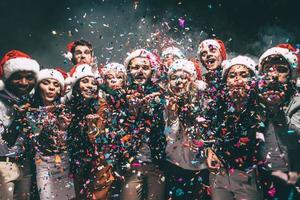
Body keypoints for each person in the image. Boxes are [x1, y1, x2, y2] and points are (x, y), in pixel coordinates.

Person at [207, 56, 264, 200]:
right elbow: (207, 131)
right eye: (232, 76)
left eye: (244, 75)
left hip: (248, 177)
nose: (237, 79)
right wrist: (209, 150)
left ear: (253, 80)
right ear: (226, 81)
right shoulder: (216, 105)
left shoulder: (260, 105)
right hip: (219, 175)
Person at [120, 49, 166, 200]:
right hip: (132, 164)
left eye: (145, 68)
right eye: (135, 67)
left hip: (156, 164)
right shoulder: (121, 95)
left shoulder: (160, 95)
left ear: (152, 71)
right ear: (128, 70)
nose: (140, 71)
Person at [257, 44, 300, 199]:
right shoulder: (255, 101)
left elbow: (295, 140)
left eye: (281, 69)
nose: (274, 74)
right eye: (269, 69)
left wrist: (277, 111)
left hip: (292, 173)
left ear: (291, 74)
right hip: (262, 173)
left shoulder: (297, 102)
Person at [25, 68, 75, 199]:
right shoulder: (30, 111)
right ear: (38, 87)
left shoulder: (65, 111)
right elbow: (33, 143)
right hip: (43, 163)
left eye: (56, 84)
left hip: (64, 163)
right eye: (46, 83)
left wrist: (63, 129)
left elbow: (65, 142)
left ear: (60, 90)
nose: (51, 88)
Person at [163, 59, 210, 199]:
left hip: (201, 167)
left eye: (184, 77)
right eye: (174, 78)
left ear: (193, 81)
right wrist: (172, 114)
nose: (179, 82)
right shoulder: (165, 103)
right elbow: (169, 136)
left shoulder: (204, 102)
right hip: (175, 165)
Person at [0, 50, 40, 200]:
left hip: (25, 165)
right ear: (8, 78)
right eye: (18, 78)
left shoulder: (31, 103)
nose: (24, 83)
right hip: (3, 166)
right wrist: (18, 118)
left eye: (29, 78)